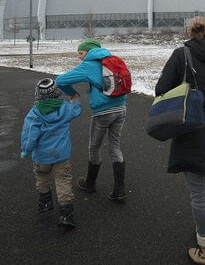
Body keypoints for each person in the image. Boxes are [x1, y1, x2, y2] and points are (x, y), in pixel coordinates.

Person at [155, 16, 205, 264]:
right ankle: (204, 228)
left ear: (190, 32)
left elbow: (161, 89)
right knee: (200, 184)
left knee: (199, 194)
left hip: (189, 128)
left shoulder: (181, 55)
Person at [55, 38, 128, 201]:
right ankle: (120, 189)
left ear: (88, 52)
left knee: (94, 147)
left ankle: (90, 183)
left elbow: (60, 81)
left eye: (80, 53)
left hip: (103, 112)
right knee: (115, 146)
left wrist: (72, 93)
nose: (79, 57)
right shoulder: (111, 59)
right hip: (121, 108)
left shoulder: (88, 65)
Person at [21, 78, 82, 228]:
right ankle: (66, 214)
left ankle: (45, 202)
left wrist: (25, 150)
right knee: (63, 181)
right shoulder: (66, 109)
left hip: (41, 158)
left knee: (42, 178)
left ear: (38, 95)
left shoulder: (34, 114)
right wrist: (74, 97)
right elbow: (76, 108)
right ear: (57, 94)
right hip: (62, 156)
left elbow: (29, 136)